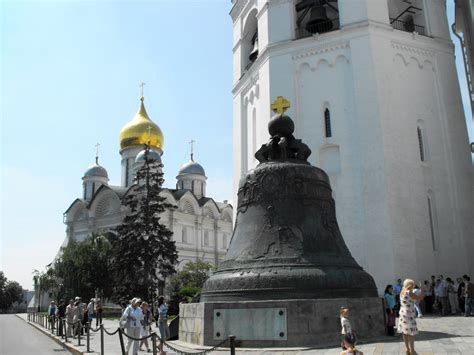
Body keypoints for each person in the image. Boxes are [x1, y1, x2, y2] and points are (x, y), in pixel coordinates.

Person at [397, 279, 424, 355]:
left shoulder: (402, 292)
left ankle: (407, 350)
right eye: (413, 284)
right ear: (411, 285)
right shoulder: (409, 292)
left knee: (405, 332)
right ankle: (412, 351)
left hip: (402, 313)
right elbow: (420, 298)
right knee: (411, 333)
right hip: (409, 313)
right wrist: (422, 289)